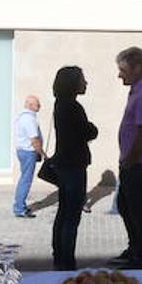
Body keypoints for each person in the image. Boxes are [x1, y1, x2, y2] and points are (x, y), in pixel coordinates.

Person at [110, 46, 142, 270]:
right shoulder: (138, 90)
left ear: (137, 67)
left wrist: (130, 159)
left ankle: (141, 257)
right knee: (125, 205)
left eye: (123, 69)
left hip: (138, 163)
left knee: (138, 210)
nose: (119, 74)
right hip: (132, 161)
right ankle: (134, 249)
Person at [50, 66, 97, 271]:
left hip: (64, 165)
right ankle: (66, 259)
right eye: (82, 79)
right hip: (73, 167)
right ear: (72, 83)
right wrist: (93, 128)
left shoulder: (60, 104)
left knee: (64, 211)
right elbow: (87, 132)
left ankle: (59, 254)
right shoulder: (73, 107)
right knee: (71, 214)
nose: (85, 83)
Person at [12, 95, 44, 218]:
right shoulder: (29, 119)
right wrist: (41, 153)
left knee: (24, 179)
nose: (40, 106)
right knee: (26, 180)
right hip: (28, 152)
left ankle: (20, 206)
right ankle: (19, 208)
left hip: (22, 151)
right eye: (38, 104)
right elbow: (34, 139)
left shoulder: (22, 117)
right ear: (31, 105)